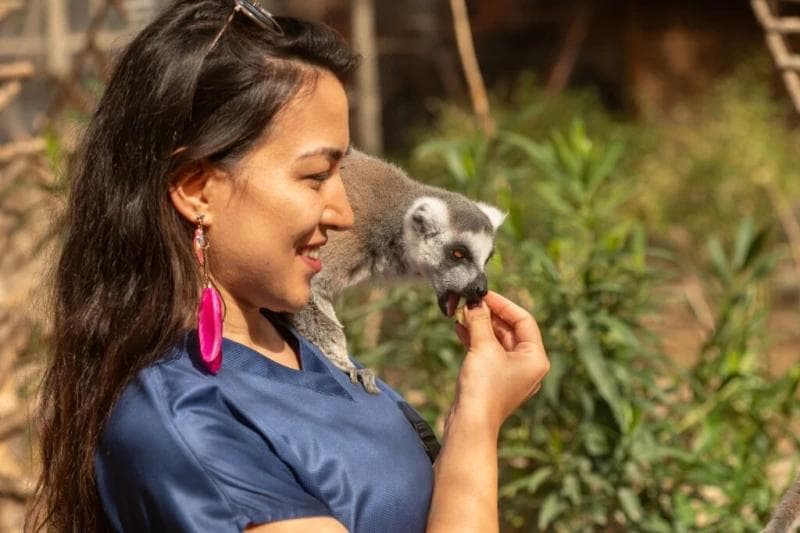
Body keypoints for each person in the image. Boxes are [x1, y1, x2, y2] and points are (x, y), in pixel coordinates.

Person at [29, 1, 550, 532]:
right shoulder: (187, 418)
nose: (345, 212)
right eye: (316, 176)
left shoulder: (291, 343)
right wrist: (479, 423)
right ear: (196, 190)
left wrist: (471, 414)